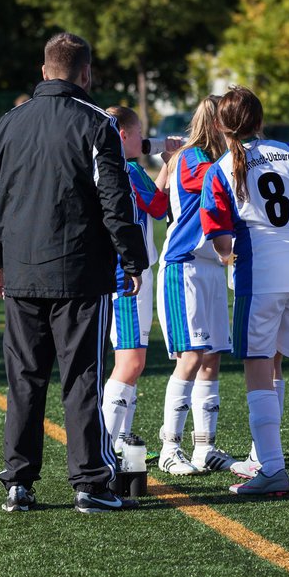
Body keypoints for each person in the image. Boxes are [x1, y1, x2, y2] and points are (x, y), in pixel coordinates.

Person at [0, 32, 148, 515]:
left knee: (24, 378)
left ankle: (19, 481)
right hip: (79, 273)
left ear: (43, 69)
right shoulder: (97, 124)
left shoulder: (7, 124)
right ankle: (89, 482)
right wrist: (131, 259)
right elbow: (116, 200)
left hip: (23, 272)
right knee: (82, 377)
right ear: (86, 73)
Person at [200, 86, 289, 497]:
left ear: (221, 125)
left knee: (257, 363)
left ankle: (272, 466)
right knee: (274, 361)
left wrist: (228, 252)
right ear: (260, 120)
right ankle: (264, 454)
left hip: (263, 272)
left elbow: (221, 241)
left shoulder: (220, 168)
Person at [155, 96, 239, 476]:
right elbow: (213, 180)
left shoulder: (219, 160)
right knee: (190, 357)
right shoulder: (192, 158)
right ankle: (169, 448)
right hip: (183, 267)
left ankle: (204, 447)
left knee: (211, 358)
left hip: (210, 268)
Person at [98, 106, 171, 462]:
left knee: (132, 359)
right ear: (123, 134)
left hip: (118, 271)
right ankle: (107, 446)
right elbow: (159, 206)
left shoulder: (106, 166)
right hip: (127, 276)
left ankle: (120, 438)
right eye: (138, 132)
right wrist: (170, 164)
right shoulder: (128, 170)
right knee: (130, 360)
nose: (144, 139)